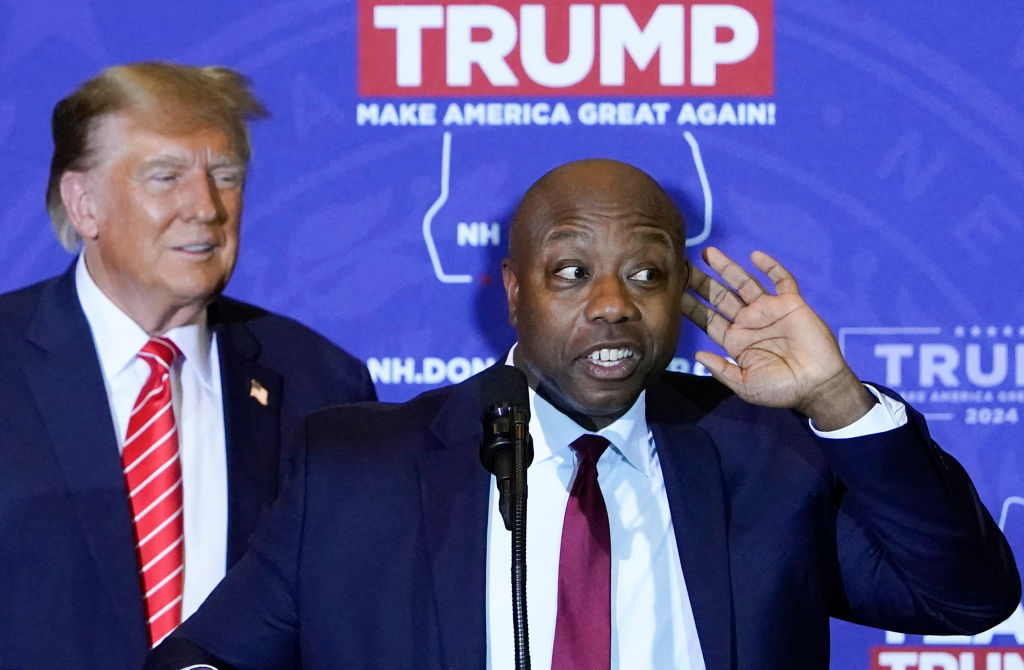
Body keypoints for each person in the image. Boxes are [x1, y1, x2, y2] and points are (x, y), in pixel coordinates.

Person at [146, 159, 1018, 670]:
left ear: (680, 294)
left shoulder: (767, 458)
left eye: (645, 274)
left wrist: (835, 398)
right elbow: (210, 659)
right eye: (570, 273)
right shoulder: (358, 470)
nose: (611, 304)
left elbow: (963, 597)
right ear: (514, 292)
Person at [0, 62, 376, 670]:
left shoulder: (321, 383)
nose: (204, 206)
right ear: (84, 203)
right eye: (166, 176)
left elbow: (350, 617)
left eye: (224, 176)